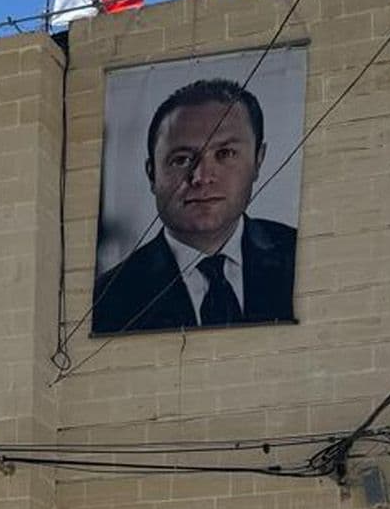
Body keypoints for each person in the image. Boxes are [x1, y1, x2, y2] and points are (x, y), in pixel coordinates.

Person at [92, 77, 297, 334]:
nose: (201, 177)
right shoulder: (107, 299)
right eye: (181, 159)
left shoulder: (303, 255)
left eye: (225, 154)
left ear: (258, 160)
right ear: (151, 173)